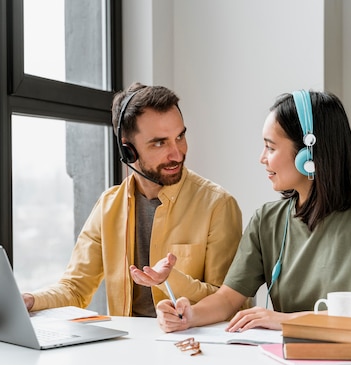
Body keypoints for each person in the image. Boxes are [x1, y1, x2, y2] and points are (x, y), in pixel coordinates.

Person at [156, 89, 351, 332]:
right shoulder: (267, 221)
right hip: (295, 358)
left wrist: (284, 320)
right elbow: (228, 298)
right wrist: (189, 315)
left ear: (308, 154)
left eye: (270, 147)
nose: (262, 158)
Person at [22, 82, 243, 317]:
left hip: (190, 348)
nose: (177, 153)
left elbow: (229, 302)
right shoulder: (108, 207)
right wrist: (30, 300)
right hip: (127, 348)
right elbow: (75, 289)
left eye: (180, 136)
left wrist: (171, 280)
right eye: (160, 143)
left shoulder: (218, 205)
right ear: (128, 151)